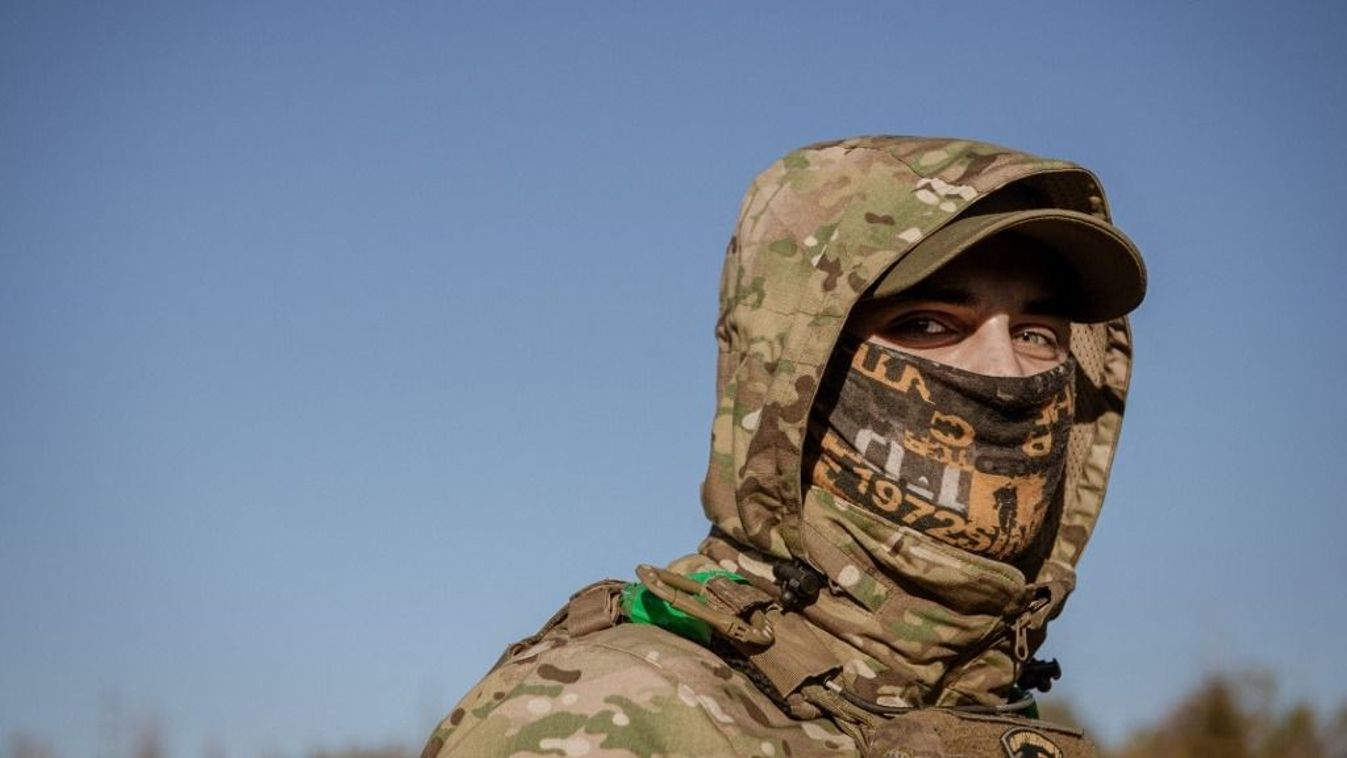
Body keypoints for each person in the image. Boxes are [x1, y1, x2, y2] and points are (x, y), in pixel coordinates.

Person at [422, 135, 1146, 757]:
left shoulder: (998, 721)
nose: (1004, 374)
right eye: (928, 324)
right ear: (793, 369)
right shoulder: (607, 717)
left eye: (1036, 335)